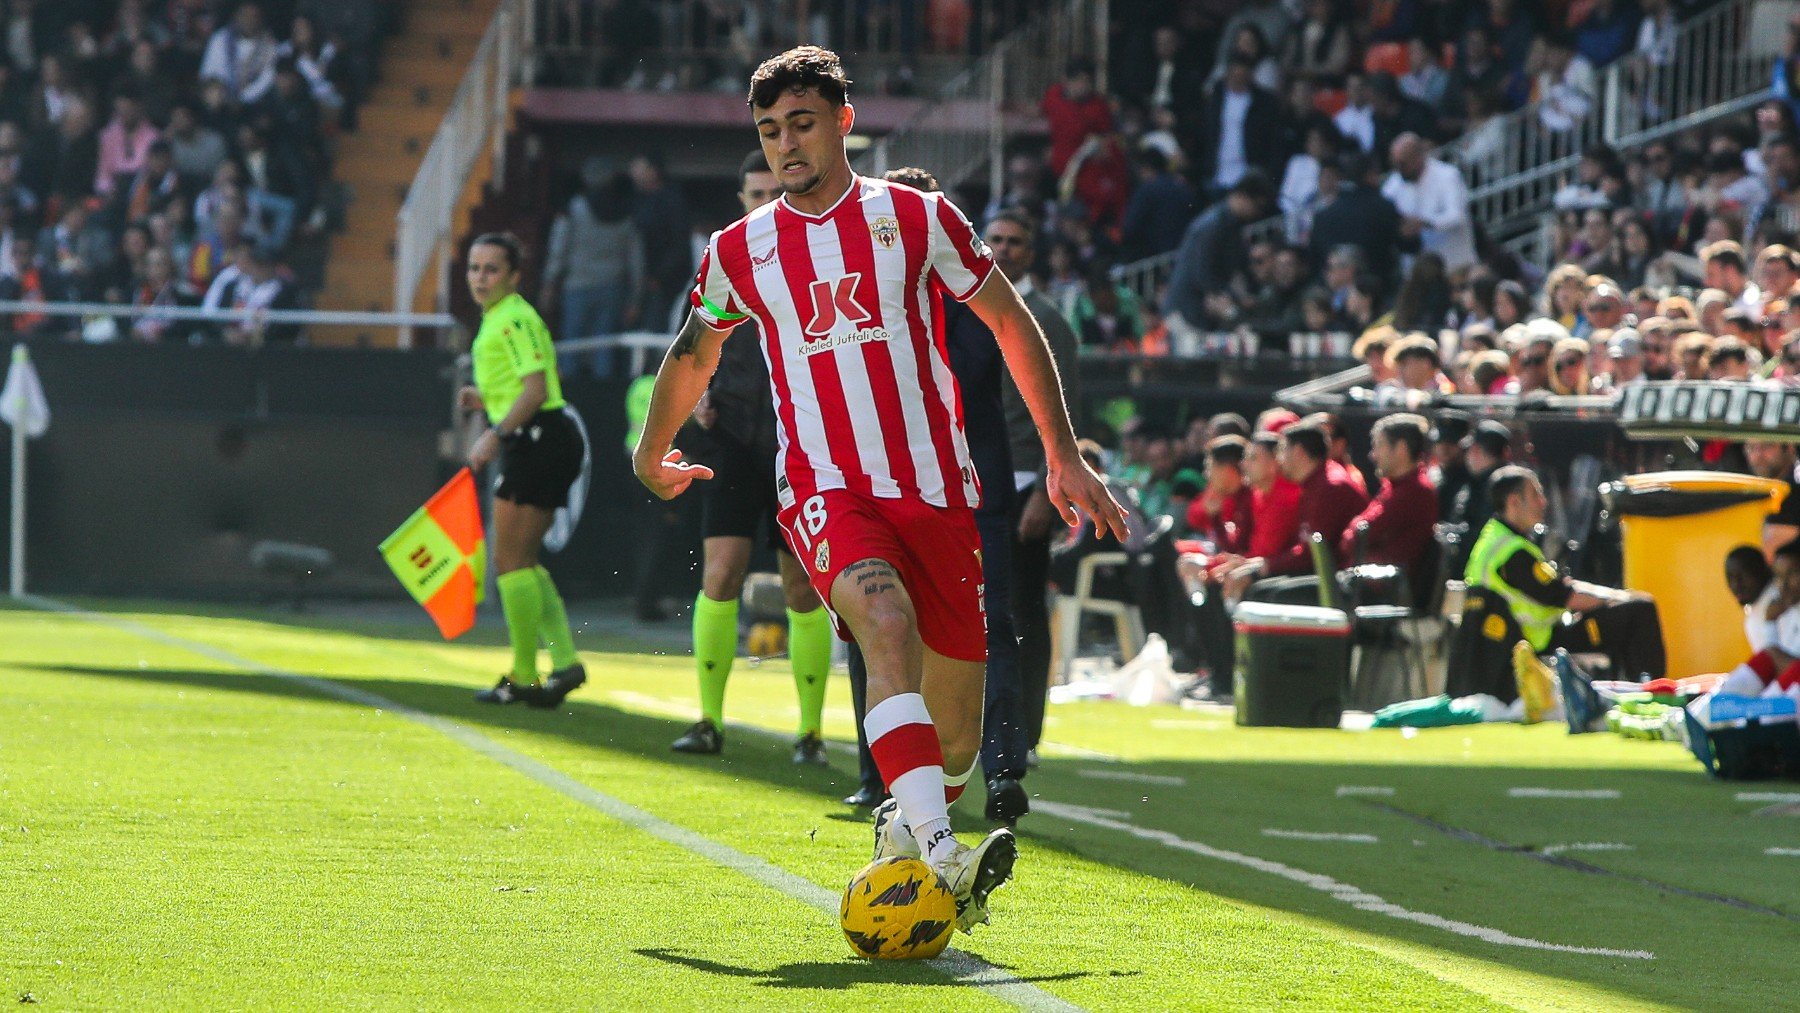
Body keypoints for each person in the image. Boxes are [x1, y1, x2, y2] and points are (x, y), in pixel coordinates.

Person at [631, 47, 1125, 934]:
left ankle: (908, 825)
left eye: (802, 123)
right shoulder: (739, 250)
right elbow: (694, 351)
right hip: (826, 487)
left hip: (939, 492)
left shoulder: (917, 216)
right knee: (883, 624)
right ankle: (941, 858)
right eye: (769, 130)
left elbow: (1011, 322)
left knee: (959, 739)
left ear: (844, 122)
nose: (784, 144)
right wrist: (649, 449)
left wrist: (1062, 454)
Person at [669, 151, 832, 766]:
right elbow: (689, 347)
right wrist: (695, 398)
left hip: (803, 444)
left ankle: (811, 732)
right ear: (741, 198)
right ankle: (708, 719)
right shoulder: (724, 262)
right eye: (755, 193)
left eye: (774, 190)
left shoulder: (819, 254)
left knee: (803, 588)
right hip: (734, 440)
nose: (766, 202)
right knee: (720, 576)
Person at [459, 233, 588, 708]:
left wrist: (495, 434)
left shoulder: (514, 317)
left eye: (492, 269)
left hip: (538, 439)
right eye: (474, 268)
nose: (480, 278)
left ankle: (524, 674)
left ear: (514, 276)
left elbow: (535, 390)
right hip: (537, 439)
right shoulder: (500, 317)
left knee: (509, 563)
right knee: (523, 562)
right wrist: (487, 400)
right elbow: (522, 387)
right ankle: (564, 661)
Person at [987, 208, 1082, 773]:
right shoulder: (965, 307)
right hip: (971, 477)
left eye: (1015, 241)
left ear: (1032, 252)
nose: (1002, 249)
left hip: (1026, 480)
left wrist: (1048, 495)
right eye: (994, 238)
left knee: (1022, 610)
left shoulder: (1048, 320)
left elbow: (1064, 413)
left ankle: (1025, 733)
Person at [1458, 467, 1667, 710]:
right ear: (1514, 501)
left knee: (1625, 611)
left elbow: (1558, 588)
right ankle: (1654, 699)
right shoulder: (1513, 552)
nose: (1543, 502)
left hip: (1519, 640)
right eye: (1536, 494)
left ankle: (1629, 697)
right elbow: (1566, 597)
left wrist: (1611, 598)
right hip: (1537, 642)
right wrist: (1618, 598)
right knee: (1639, 609)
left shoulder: (1493, 539)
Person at [1340, 414, 1438, 595]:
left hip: (1384, 592)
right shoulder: (1393, 487)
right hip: (1365, 585)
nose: (1372, 455)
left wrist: (1353, 532)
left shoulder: (1413, 491)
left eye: (1378, 446)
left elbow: (1355, 538)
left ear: (1400, 448)